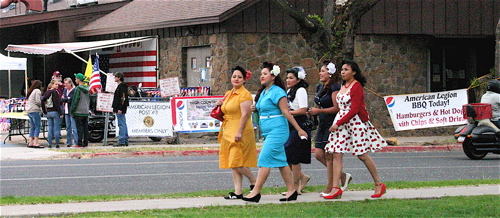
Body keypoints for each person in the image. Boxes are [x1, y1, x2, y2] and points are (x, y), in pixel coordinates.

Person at [242, 62, 307, 203]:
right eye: (261, 74)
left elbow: (286, 112)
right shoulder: (265, 91)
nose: (262, 76)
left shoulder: (278, 91)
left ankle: (256, 192)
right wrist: (256, 109)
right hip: (268, 131)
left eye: (265, 74)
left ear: (273, 76)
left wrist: (299, 129)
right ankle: (292, 191)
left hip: (278, 131)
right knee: (281, 162)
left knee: (264, 159)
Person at [325, 60, 387, 199]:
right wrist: (338, 122)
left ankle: (379, 184)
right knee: (336, 153)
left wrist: (338, 123)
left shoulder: (357, 86)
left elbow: (354, 110)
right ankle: (335, 188)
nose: (343, 72)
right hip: (341, 122)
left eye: (346, 69)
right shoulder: (343, 85)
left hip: (354, 123)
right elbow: (341, 106)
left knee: (362, 155)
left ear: (354, 72)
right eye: (342, 69)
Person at [308, 60, 352, 196]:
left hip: (332, 124)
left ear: (331, 74)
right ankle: (343, 176)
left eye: (323, 71)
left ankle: (330, 186)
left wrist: (319, 111)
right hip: (322, 123)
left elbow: (336, 108)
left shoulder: (335, 88)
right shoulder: (320, 88)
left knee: (329, 156)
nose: (320, 73)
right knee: (318, 155)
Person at [217, 66, 257, 200]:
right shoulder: (229, 93)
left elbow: (245, 114)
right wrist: (220, 104)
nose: (236, 79)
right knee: (233, 163)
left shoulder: (244, 94)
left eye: (240, 77)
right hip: (228, 128)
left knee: (236, 162)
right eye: (234, 76)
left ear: (245, 79)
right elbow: (226, 109)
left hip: (240, 129)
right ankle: (238, 191)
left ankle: (255, 182)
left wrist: (239, 131)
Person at [284, 66, 311, 194]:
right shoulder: (290, 91)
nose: (288, 80)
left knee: (293, 154)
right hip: (290, 122)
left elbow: (303, 109)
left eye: (291, 78)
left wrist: (289, 112)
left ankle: (295, 187)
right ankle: (302, 177)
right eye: (287, 77)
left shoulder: (301, 91)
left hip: (299, 123)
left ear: (298, 79)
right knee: (286, 154)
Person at [70, 73, 90, 148]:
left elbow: (75, 100)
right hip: (85, 110)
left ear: (78, 79)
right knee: (85, 128)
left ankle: (79, 143)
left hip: (78, 111)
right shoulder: (88, 89)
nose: (75, 80)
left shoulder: (78, 89)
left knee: (79, 128)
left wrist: (72, 111)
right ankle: (85, 143)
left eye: (76, 79)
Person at [41, 80, 62, 148]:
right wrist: (60, 112)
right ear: (52, 85)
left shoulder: (47, 92)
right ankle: (57, 143)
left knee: (50, 128)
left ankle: (49, 143)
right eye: (55, 84)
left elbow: (42, 101)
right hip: (55, 111)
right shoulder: (55, 92)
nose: (57, 85)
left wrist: (44, 111)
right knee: (56, 128)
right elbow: (56, 103)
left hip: (48, 111)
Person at [112, 72, 129, 147]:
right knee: (123, 123)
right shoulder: (120, 86)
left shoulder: (122, 87)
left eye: (115, 76)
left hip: (120, 108)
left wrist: (120, 108)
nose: (114, 78)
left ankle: (122, 140)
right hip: (119, 107)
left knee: (121, 124)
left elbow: (123, 98)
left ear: (119, 77)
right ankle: (124, 139)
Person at [26, 80, 44, 148]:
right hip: (35, 110)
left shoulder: (31, 91)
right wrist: (42, 104)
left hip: (29, 110)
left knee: (32, 127)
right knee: (37, 126)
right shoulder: (37, 91)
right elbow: (38, 101)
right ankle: (36, 142)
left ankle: (30, 142)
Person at [61, 77, 77, 147]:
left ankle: (76, 141)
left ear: (70, 83)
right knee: (68, 127)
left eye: (67, 83)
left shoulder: (74, 90)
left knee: (74, 127)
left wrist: (66, 99)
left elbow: (72, 100)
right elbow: (62, 99)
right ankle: (69, 142)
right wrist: (66, 99)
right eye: (64, 83)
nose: (65, 85)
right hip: (66, 110)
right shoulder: (65, 90)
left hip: (72, 110)